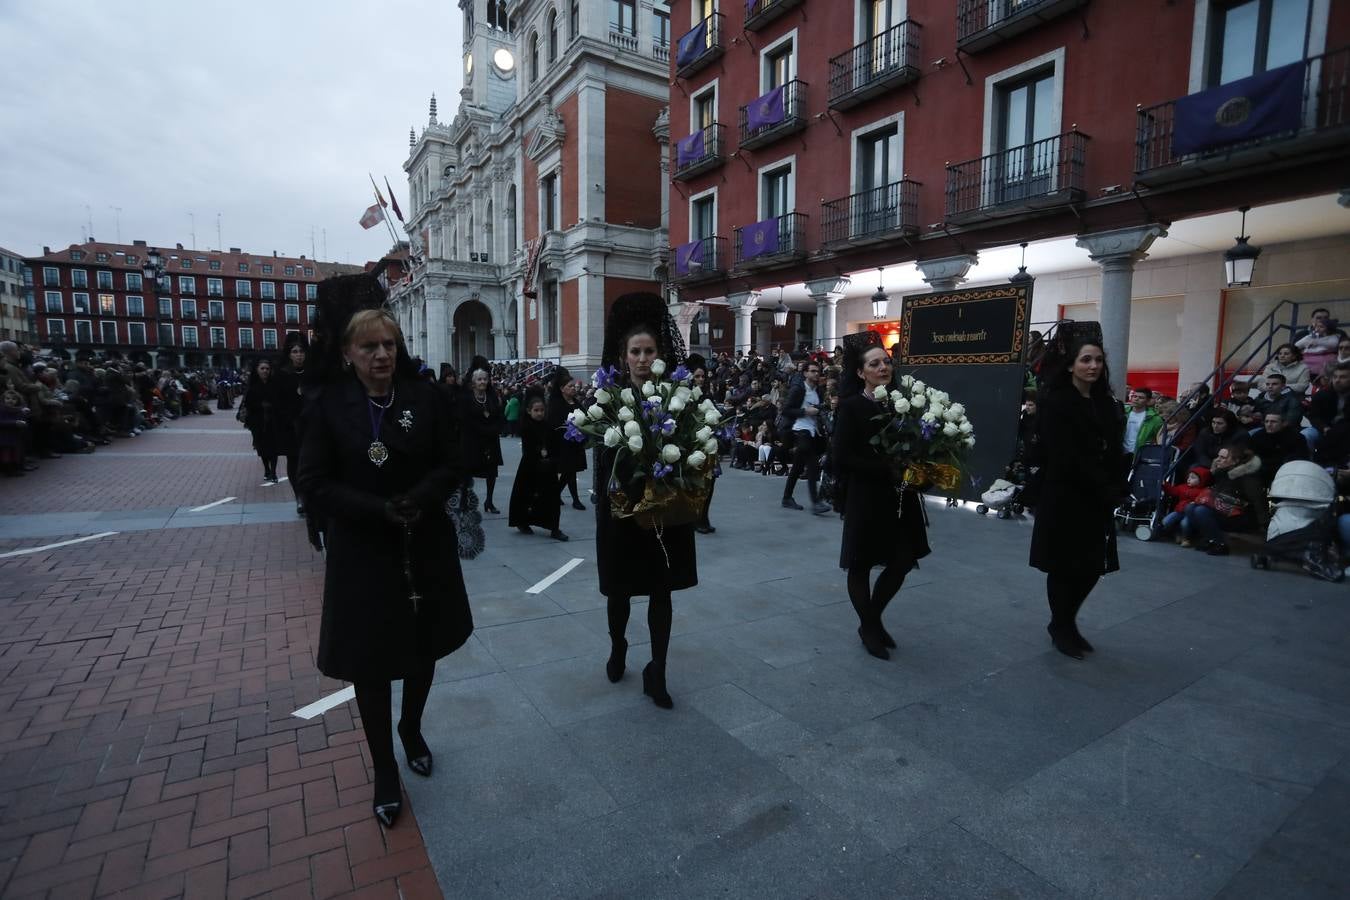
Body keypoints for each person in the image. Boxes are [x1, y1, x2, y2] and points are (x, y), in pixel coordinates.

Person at [296, 284, 473, 829]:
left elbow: (454, 459)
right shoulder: (329, 406)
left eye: (389, 345)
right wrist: (375, 509)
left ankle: (412, 728)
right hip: (363, 552)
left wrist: (417, 500)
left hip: (423, 542)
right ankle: (384, 770)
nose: (381, 356)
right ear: (348, 353)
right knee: (372, 666)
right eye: (369, 346)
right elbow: (312, 481)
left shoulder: (424, 396)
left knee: (423, 649)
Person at [594, 292, 696, 709]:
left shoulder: (679, 400)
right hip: (620, 515)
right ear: (624, 356)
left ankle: (658, 669)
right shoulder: (607, 402)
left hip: (664, 514)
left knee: (661, 592)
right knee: (619, 594)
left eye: (648, 351)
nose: (641, 358)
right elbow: (604, 464)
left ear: (659, 354)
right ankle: (618, 646)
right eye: (634, 351)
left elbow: (693, 453)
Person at [1028, 326, 1127, 660]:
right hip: (1065, 494)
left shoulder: (1104, 401)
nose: (1093, 366)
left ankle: (1065, 622)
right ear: (1070, 364)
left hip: (1097, 495)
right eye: (1086, 359)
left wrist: (1115, 483)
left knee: (1091, 566)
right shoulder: (1056, 402)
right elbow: (1064, 454)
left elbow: (1113, 447)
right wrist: (1102, 484)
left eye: (1098, 360)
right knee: (1064, 565)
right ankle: (1061, 626)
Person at [831, 332, 930, 660]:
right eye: (875, 363)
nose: (883, 367)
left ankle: (871, 620)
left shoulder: (903, 403)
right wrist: (885, 467)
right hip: (865, 495)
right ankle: (870, 626)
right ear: (861, 372)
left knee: (901, 562)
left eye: (886, 361)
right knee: (860, 565)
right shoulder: (850, 407)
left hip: (900, 495)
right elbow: (841, 457)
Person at [1176, 444, 1267, 555]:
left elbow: (1258, 501)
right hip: (1223, 510)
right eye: (1218, 456)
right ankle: (1210, 539)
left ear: (1235, 461)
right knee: (1190, 507)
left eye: (1223, 458)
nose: (1217, 460)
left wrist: (1263, 524)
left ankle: (1220, 544)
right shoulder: (1222, 473)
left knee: (1201, 511)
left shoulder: (1248, 478)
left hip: (1240, 516)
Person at [509, 392, 569, 541]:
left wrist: (553, 459)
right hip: (531, 467)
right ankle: (523, 521)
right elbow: (529, 447)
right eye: (536, 410)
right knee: (526, 496)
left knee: (552, 498)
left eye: (542, 410)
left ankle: (554, 528)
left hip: (548, 467)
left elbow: (554, 443)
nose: (539, 413)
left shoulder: (548, 426)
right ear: (529, 411)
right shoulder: (526, 426)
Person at [781, 359, 831, 514]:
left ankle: (787, 498)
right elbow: (786, 410)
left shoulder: (818, 390)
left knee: (797, 466)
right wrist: (805, 412)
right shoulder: (798, 389)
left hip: (813, 431)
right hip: (800, 430)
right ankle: (815, 502)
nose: (816, 374)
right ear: (805, 373)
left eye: (818, 371)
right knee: (812, 464)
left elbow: (820, 409)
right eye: (812, 371)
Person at [458, 359, 504, 514]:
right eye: (479, 379)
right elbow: (465, 420)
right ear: (473, 382)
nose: (482, 382)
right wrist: (484, 430)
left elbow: (498, 416)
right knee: (467, 473)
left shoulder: (492, 398)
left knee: (491, 473)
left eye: (485, 379)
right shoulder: (466, 399)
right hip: (472, 441)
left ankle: (489, 502)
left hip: (490, 441)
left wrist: (494, 429)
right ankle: (464, 500)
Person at [275, 333, 310, 513]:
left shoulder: (312, 373)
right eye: (295, 351)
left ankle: (310, 494)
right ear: (289, 354)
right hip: (290, 426)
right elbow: (278, 402)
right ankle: (299, 496)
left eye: (301, 351)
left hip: (311, 425)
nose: (299, 355)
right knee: (294, 461)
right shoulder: (282, 374)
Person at [241, 359, 290, 484]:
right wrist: (261, 406)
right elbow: (248, 403)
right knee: (262, 447)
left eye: (267, 369)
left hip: (273, 421)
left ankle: (273, 472)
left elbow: (281, 400)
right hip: (258, 422)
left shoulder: (275, 385)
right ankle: (267, 469)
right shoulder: (252, 387)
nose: (265, 371)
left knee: (274, 447)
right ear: (257, 370)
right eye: (262, 368)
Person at [546, 368, 587, 511]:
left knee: (570, 471)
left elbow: (584, 416)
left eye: (574, 385)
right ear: (562, 389)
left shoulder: (575, 402)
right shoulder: (556, 404)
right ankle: (575, 499)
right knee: (570, 471)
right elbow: (554, 424)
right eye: (570, 386)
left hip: (576, 442)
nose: (573, 388)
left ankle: (555, 494)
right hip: (563, 443)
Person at [1122, 387, 1163, 458]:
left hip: (1140, 455)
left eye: (1141, 398)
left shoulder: (1155, 418)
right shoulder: (1123, 412)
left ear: (1148, 401)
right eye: (1134, 396)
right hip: (1120, 452)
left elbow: (1157, 439)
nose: (1136, 399)